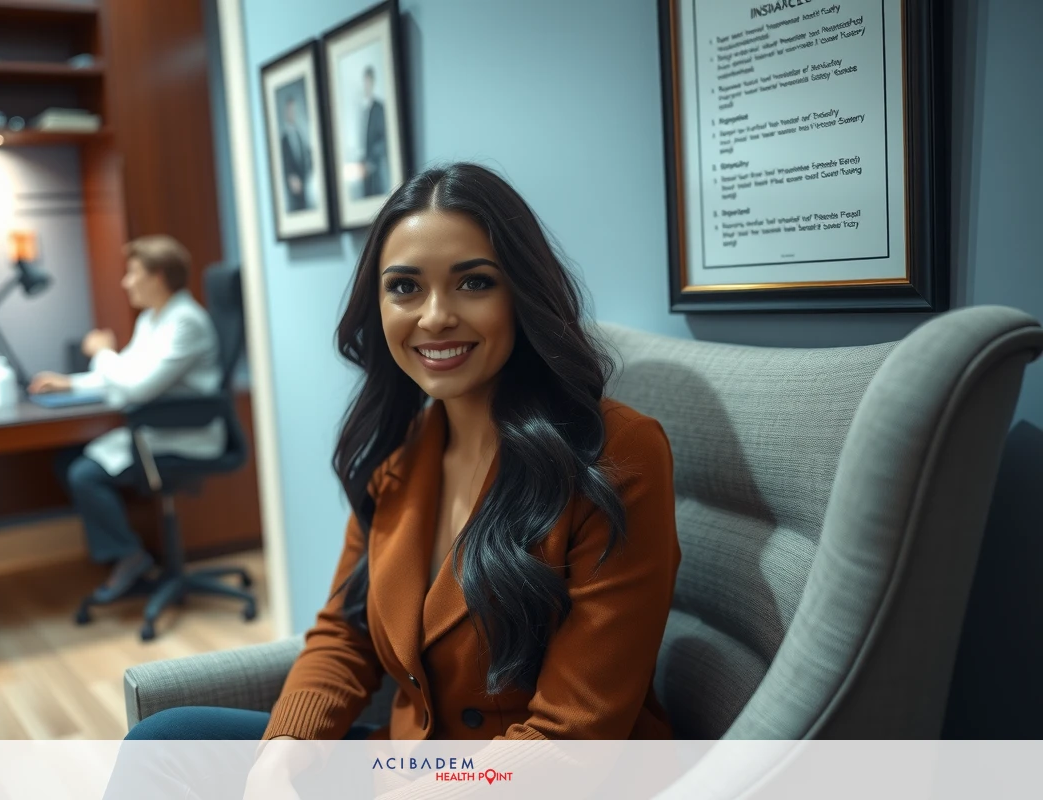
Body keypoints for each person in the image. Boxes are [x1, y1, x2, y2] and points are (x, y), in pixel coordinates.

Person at [115, 162, 680, 784]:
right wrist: (280, 759)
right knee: (162, 743)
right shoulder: (402, 451)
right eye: (405, 288)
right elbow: (345, 632)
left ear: (522, 294)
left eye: (474, 283)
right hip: (408, 763)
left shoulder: (616, 454)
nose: (434, 316)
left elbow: (575, 734)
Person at [30, 235, 225, 603]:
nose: (125, 282)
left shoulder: (186, 323)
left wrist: (103, 353)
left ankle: (130, 556)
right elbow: (126, 373)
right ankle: (127, 554)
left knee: (82, 473)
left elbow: (134, 388)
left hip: (184, 434)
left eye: (133, 273)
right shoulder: (154, 319)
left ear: (159, 276)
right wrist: (69, 383)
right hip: (154, 430)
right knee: (68, 461)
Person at [357, 65, 388, 197]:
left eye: (368, 82)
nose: (366, 85)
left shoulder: (379, 108)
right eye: (365, 82)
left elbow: (384, 139)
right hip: (363, 166)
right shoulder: (361, 110)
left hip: (376, 167)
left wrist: (372, 161)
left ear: (373, 83)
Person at [280, 93, 312, 212]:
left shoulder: (300, 135)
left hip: (304, 185)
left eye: (294, 110)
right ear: (286, 112)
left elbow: (307, 157)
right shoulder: (283, 139)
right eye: (290, 110)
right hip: (292, 190)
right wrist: (291, 178)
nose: (292, 113)